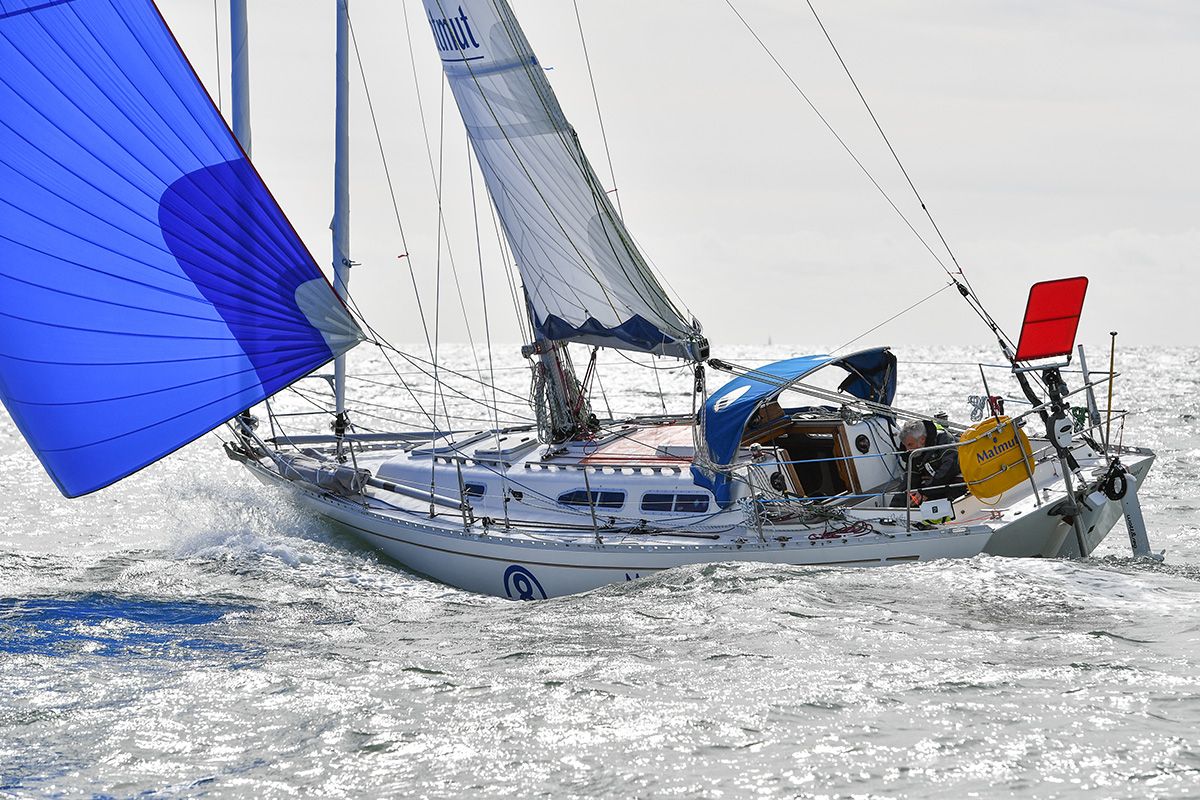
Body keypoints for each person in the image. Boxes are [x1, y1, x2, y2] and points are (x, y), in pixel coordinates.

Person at [891, 419, 966, 507]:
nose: (907, 449)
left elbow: (949, 469)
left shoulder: (944, 440)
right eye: (906, 446)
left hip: (958, 482)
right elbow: (911, 478)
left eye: (910, 445)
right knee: (908, 497)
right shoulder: (915, 452)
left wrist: (925, 491)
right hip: (933, 484)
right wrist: (896, 504)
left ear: (922, 439)